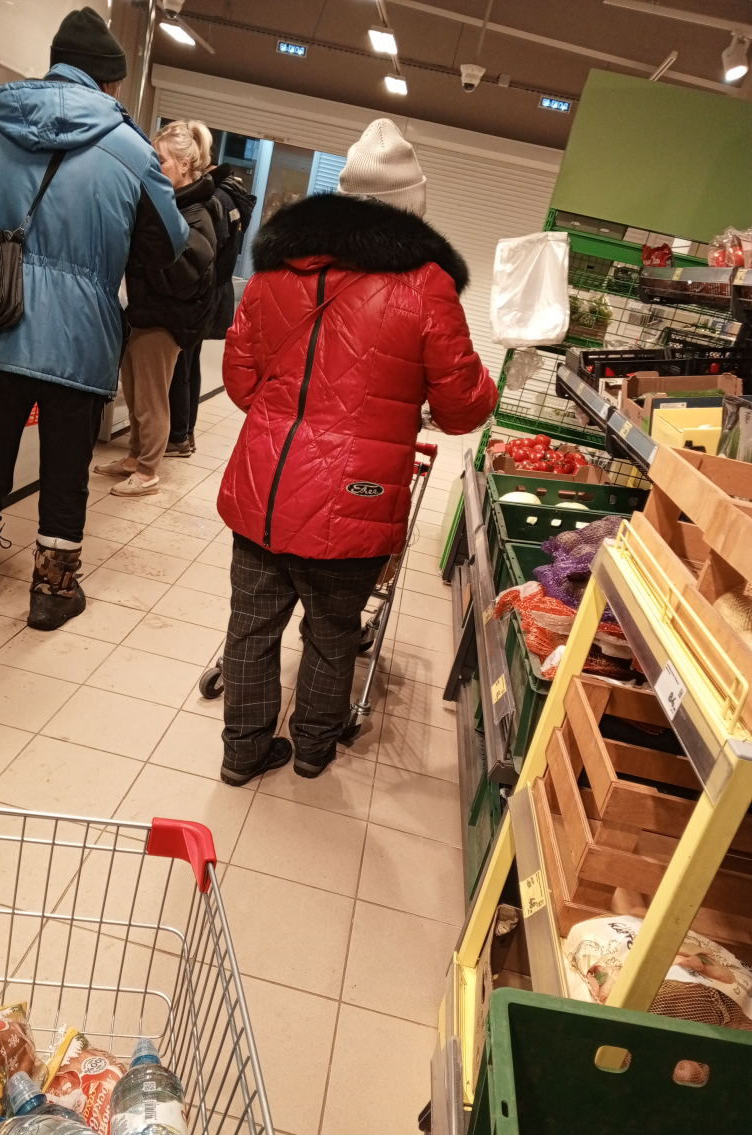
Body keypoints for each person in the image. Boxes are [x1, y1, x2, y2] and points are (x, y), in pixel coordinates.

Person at [215, 118, 498, 786]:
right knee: (333, 630)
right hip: (356, 496)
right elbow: (463, 407)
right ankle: (314, 749)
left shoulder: (276, 270)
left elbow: (241, 382)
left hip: (265, 485)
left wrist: (293, 416)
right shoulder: (426, 284)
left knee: (250, 626)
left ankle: (242, 752)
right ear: (411, 209)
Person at [0, 6, 188, 630]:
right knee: (65, 469)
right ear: (110, 81)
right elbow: (168, 244)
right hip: (80, 335)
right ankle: (51, 595)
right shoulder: (129, 147)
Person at [95, 119, 219, 494]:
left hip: (163, 320)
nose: (154, 168)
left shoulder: (195, 212)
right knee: (135, 394)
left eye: (160, 161)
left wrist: (144, 251)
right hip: (142, 313)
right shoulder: (169, 206)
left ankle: (148, 470)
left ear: (184, 164)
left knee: (151, 400)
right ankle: (134, 456)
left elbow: (184, 275)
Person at [166, 162, 257, 455]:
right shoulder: (234, 197)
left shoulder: (216, 198)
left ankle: (178, 435)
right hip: (216, 292)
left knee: (182, 365)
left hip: (203, 294)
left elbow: (207, 252)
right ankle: (186, 432)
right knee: (190, 364)